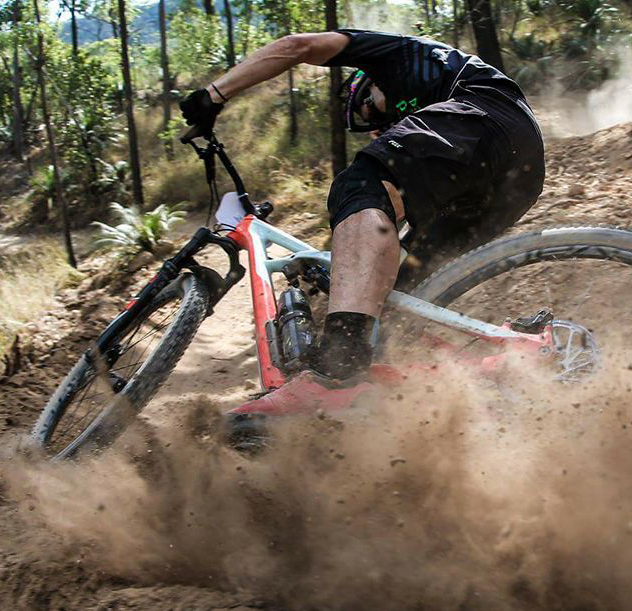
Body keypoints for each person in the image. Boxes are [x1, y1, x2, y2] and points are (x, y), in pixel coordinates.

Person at [178, 30, 546, 414]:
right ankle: (493, 364)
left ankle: (334, 376)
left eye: (368, 109)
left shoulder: (398, 54)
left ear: (368, 84)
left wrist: (214, 96)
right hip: (516, 179)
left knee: (360, 184)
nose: (376, 124)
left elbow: (295, 46)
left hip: (485, 119)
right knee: (394, 299)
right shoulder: (432, 113)